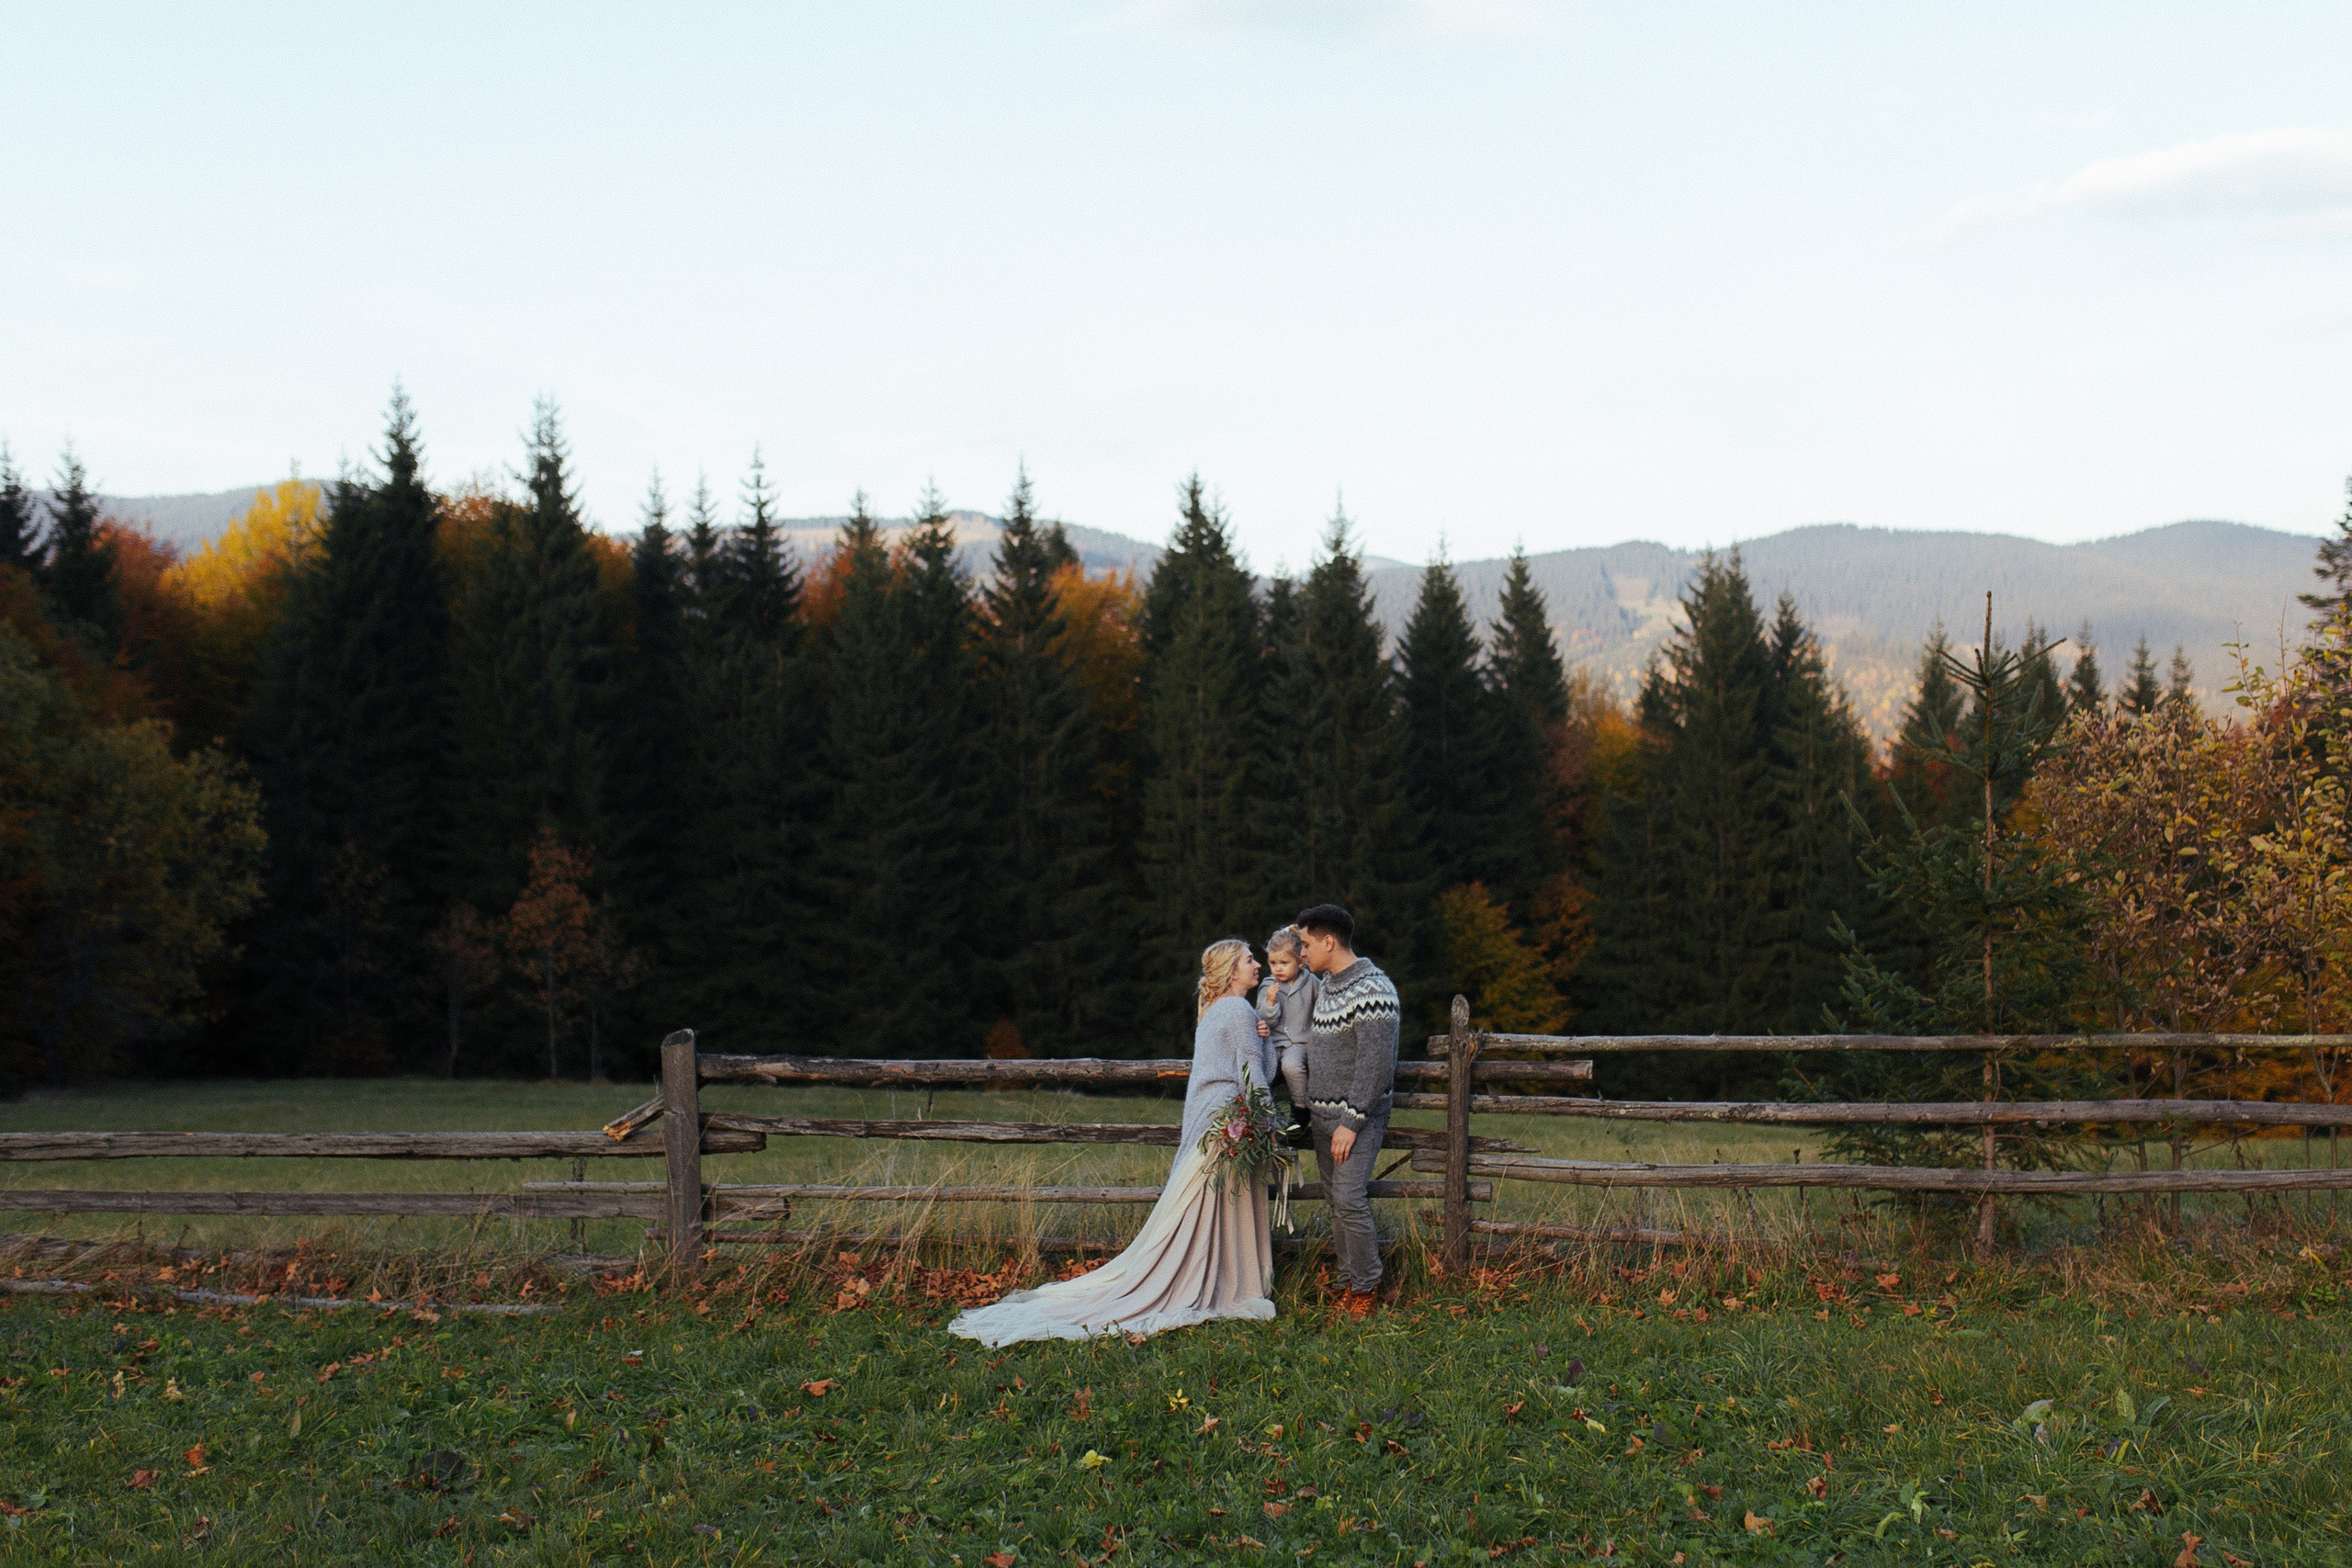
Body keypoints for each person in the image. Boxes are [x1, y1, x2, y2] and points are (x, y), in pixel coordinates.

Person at [948, 939, 1278, 1346]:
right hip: (1229, 1121)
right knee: (1215, 1211)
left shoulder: (1214, 1012)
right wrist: (1267, 1120)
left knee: (1204, 1212)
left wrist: (1263, 1035)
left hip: (1213, 1122)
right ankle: (1223, 1284)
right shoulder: (1238, 1009)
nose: (1258, 966)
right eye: (1249, 960)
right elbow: (1254, 1072)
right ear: (1231, 970)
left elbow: (1252, 1061)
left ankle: (1211, 1278)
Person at [1295, 902, 1400, 1319]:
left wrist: (1351, 1121)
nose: (1301, 952)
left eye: (1305, 944)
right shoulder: (1326, 984)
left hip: (1356, 1120)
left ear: (1328, 941)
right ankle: (1347, 1280)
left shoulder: (1374, 989)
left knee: (1350, 1200)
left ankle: (1367, 1286)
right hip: (1323, 1120)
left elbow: (1376, 1065)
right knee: (1337, 1203)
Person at [1255, 925, 1320, 1139]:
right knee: (1261, 1070)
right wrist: (1271, 1002)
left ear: (1300, 961)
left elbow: (1324, 1005)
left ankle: (1301, 1108)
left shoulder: (1311, 983)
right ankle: (1264, 1114)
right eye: (1273, 963)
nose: (1278, 969)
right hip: (1273, 1042)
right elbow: (1263, 1019)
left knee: (1291, 1066)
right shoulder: (1267, 985)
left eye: (1284, 963)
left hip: (1299, 1042)